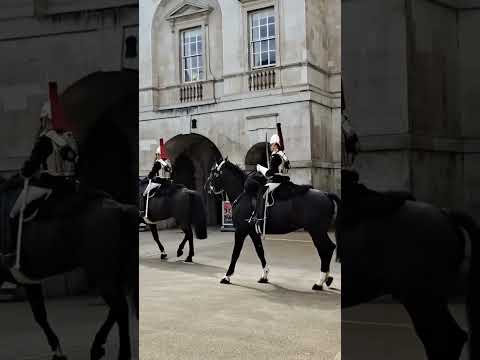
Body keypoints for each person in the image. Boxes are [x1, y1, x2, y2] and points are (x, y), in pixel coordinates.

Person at [10, 82, 79, 220]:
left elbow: (31, 166)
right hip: (70, 187)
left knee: (13, 214)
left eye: (43, 120)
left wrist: (24, 172)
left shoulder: (45, 140)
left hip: (48, 186)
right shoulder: (70, 138)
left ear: (46, 119)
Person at [251, 134, 291, 234]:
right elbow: (288, 167)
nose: (270, 146)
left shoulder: (275, 156)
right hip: (285, 180)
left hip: (277, 181)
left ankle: (260, 220)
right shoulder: (283, 155)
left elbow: (270, 173)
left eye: (272, 144)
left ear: (276, 145)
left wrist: (260, 168)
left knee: (261, 193)